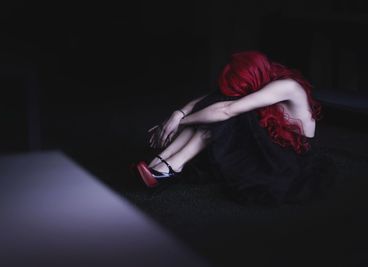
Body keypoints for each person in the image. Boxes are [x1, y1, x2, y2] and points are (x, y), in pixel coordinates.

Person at [134, 51, 336, 206]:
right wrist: (177, 114)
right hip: (271, 144)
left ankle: (171, 166)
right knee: (218, 106)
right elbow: (211, 98)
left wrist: (180, 122)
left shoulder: (287, 86)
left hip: (289, 159)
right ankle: (161, 163)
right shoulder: (264, 76)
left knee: (226, 115)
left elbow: (227, 109)